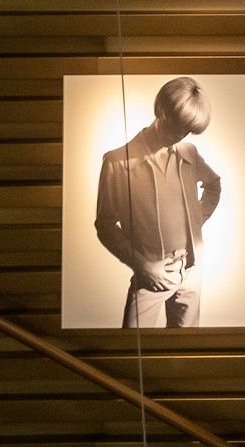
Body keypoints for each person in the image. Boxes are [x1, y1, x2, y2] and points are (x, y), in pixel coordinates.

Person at [92, 75, 223, 329]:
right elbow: (105, 225)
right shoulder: (116, 163)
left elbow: (213, 186)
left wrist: (196, 219)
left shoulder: (189, 152)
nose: (181, 135)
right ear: (162, 109)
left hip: (191, 271)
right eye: (177, 126)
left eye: (188, 130)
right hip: (151, 273)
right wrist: (143, 266)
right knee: (134, 351)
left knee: (185, 356)